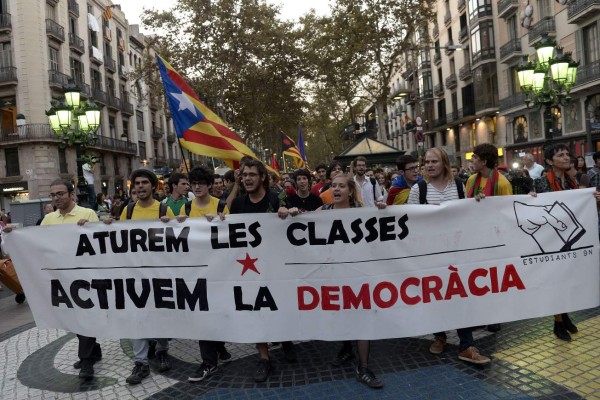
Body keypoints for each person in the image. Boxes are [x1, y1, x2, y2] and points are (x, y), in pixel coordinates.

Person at [5, 179, 101, 380]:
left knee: (85, 316)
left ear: (71, 194)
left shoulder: (88, 214)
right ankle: (94, 350)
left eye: (60, 193)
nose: (56, 198)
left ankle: (86, 360)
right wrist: (14, 235)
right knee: (73, 318)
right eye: (53, 195)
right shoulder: (48, 219)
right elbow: (37, 244)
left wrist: (90, 228)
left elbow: (99, 243)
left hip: (84, 277)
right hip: (60, 278)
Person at [407, 148, 490, 365]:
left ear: (444, 163)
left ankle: (466, 345)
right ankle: (440, 335)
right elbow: (409, 220)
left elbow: (467, 213)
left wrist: (478, 202)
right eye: (426, 162)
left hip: (456, 251)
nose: (429, 165)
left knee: (461, 295)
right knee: (435, 295)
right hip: (430, 253)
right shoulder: (418, 190)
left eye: (434, 161)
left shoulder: (459, 186)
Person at [105, 169, 176, 384]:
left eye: (145, 182)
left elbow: (177, 240)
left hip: (159, 273)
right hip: (134, 274)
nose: (141, 186)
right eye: (137, 183)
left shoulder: (163, 209)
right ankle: (141, 362)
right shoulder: (128, 211)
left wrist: (174, 224)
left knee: (160, 312)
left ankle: (162, 350)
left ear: (153, 186)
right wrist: (106, 225)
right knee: (136, 315)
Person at [229, 159, 297, 382]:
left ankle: (285, 339)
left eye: (252, 174)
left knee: (279, 306)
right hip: (250, 267)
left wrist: (291, 214)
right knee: (256, 308)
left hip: (277, 266)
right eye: (244, 175)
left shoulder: (277, 199)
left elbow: (294, 226)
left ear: (263, 177)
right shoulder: (237, 204)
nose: (247, 178)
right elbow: (229, 231)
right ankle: (264, 357)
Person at [316, 174, 385, 388]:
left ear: (350, 191)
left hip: (358, 274)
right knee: (342, 314)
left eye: (341, 186)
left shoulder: (362, 212)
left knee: (362, 318)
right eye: (333, 186)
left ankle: (363, 368)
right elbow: (298, 221)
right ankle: (347, 348)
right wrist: (288, 212)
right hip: (334, 275)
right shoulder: (323, 211)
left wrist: (383, 211)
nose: (336, 189)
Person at [533, 144, 600, 340]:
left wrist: (594, 199)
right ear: (549, 161)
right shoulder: (541, 182)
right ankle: (558, 322)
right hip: (551, 241)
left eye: (566, 154)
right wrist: (532, 198)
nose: (566, 157)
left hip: (570, 239)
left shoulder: (573, 181)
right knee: (556, 280)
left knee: (567, 279)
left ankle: (565, 315)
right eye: (560, 155)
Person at [176, 165, 232, 382]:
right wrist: (173, 224)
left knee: (217, 311)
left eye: (201, 183)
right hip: (195, 270)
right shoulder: (186, 208)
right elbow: (179, 238)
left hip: (218, 270)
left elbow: (230, 236)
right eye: (194, 183)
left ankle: (218, 345)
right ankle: (209, 361)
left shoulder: (221, 206)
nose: (197, 187)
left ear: (210, 185)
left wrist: (219, 223)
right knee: (202, 314)